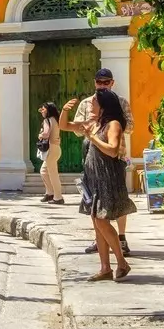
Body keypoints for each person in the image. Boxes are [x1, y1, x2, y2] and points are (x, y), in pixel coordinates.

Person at [62, 68, 134, 256]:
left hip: (115, 156)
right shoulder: (87, 103)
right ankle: (100, 239)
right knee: (95, 201)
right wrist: (89, 123)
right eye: (99, 82)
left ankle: (121, 238)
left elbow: (130, 127)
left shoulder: (120, 102)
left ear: (112, 83)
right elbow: (76, 128)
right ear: (95, 83)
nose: (102, 85)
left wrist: (110, 120)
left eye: (106, 82)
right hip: (92, 157)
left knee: (118, 199)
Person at [79, 89, 136, 281]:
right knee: (97, 223)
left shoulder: (113, 124)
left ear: (104, 105)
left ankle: (121, 262)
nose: (91, 103)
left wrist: (93, 138)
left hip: (107, 178)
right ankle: (105, 268)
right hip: (94, 180)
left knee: (102, 221)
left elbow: (112, 151)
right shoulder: (99, 124)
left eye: (95, 100)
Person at [36, 101, 64, 204]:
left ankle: (58, 197)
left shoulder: (47, 120)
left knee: (53, 174)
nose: (41, 111)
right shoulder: (56, 120)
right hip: (56, 148)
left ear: (48, 110)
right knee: (44, 171)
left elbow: (46, 134)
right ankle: (50, 193)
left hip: (51, 149)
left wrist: (40, 135)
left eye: (43, 109)